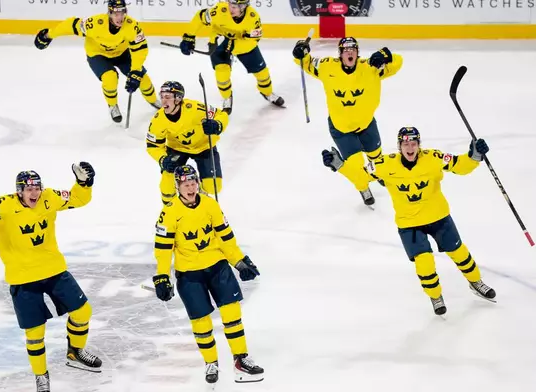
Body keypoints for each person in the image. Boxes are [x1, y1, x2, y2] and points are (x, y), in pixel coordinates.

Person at [322, 127, 496, 315]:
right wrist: (340, 165)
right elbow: (361, 176)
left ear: (419, 145)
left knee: (459, 252)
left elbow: (460, 166)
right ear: (400, 146)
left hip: (438, 217)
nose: (410, 148)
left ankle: (475, 281)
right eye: (406, 144)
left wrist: (474, 156)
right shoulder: (383, 164)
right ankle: (435, 296)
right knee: (424, 261)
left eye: (413, 144)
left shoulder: (433, 158)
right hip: (409, 224)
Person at [0, 163, 100, 392]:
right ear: (19, 191)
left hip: (53, 269)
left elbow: (78, 199)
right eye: (29, 189)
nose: (34, 192)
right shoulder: (3, 205)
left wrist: (84, 183)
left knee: (83, 311)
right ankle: (41, 375)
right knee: (35, 333)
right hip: (23, 277)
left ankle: (75, 352)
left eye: (37, 187)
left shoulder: (50, 197)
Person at [152, 164, 264, 384]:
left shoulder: (211, 205)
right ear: (178, 186)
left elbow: (226, 238)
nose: (191, 188)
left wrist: (240, 262)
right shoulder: (169, 213)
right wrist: (162, 277)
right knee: (201, 322)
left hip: (218, 266)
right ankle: (210, 363)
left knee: (232, 313)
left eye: (193, 183)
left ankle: (241, 359)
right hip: (189, 274)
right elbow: (163, 251)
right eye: (186, 184)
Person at [293, 37, 403, 206]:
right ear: (340, 53)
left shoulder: (371, 68)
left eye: (353, 49)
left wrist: (385, 55)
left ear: (358, 53)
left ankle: (378, 173)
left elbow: (397, 62)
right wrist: (301, 52)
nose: (349, 52)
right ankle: (363, 187)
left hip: (366, 123)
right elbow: (306, 63)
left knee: (376, 155)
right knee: (356, 166)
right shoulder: (327, 66)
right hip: (341, 128)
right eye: (346, 50)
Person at [34, 0, 161, 123]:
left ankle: (154, 100)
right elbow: (71, 25)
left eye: (122, 13)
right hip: (98, 55)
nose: (120, 17)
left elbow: (140, 49)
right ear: (109, 13)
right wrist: (49, 35)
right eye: (116, 13)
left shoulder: (132, 26)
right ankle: (112, 106)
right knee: (110, 78)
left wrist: (135, 70)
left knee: (143, 79)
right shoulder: (95, 23)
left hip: (122, 54)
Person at [180, 0, 284, 114]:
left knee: (262, 73)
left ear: (243, 7)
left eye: (234, 7)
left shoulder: (253, 17)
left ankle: (267, 93)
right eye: (230, 5)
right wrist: (188, 37)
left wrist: (238, 41)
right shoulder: (219, 11)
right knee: (222, 74)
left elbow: (256, 37)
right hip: (219, 44)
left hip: (244, 46)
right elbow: (200, 17)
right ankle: (227, 97)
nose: (230, 9)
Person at [146, 80, 229, 205]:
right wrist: (162, 159)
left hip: (203, 146)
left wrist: (217, 125)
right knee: (167, 185)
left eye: (167, 97)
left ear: (178, 99)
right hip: (177, 149)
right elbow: (153, 146)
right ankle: (170, 210)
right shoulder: (158, 120)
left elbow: (221, 114)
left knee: (213, 187)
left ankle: (199, 194)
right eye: (162, 97)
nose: (163, 101)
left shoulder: (195, 108)